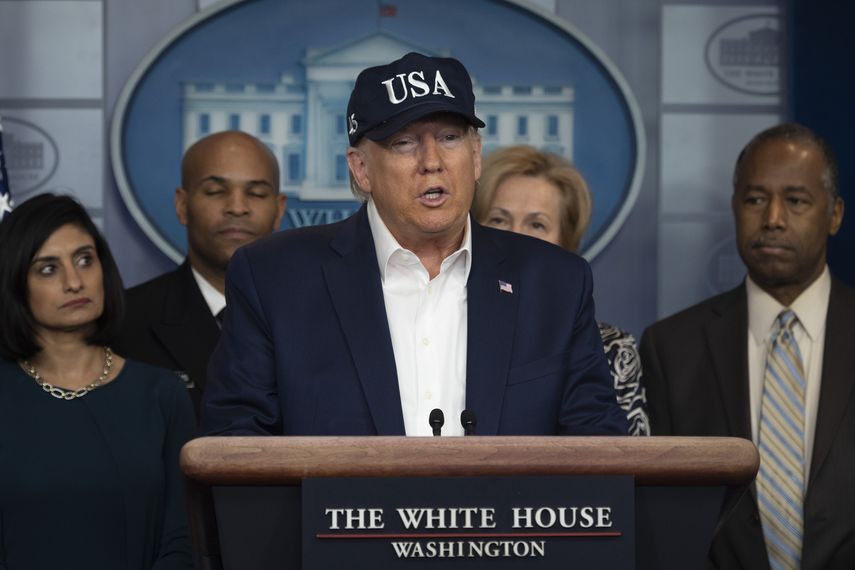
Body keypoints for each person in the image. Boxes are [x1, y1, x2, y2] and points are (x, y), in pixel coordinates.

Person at [201, 52, 627, 437]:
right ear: (361, 169)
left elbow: (598, 449)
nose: (432, 162)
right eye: (404, 143)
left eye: (449, 138)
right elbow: (236, 448)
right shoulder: (275, 280)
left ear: (476, 155)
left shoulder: (554, 283)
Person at [640, 123, 853, 569]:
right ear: (735, 208)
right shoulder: (672, 349)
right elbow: (660, 523)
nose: (773, 218)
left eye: (796, 201)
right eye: (756, 199)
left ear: (834, 215)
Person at [0, 194, 194, 569]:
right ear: (14, 283)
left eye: (85, 260)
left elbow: (181, 539)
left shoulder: (162, 395)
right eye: (48, 269)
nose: (74, 282)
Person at [472, 145, 650, 436]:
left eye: (537, 225)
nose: (516, 237)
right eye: (498, 220)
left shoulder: (613, 351)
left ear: (567, 245)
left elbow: (623, 469)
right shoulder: (447, 330)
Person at [115, 130, 286, 414]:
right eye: (215, 192)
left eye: (256, 193)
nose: (237, 207)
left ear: (279, 210)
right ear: (182, 205)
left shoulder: (320, 317)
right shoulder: (123, 321)